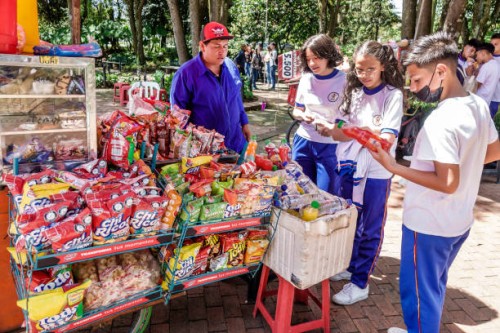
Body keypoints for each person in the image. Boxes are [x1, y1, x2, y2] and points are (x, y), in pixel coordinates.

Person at [367, 31, 500, 333]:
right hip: (457, 221)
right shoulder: (476, 104)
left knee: (418, 295)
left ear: (441, 71)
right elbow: (494, 149)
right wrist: (460, 163)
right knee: (434, 285)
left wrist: (393, 166)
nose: (413, 89)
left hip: (428, 224)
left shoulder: (441, 119)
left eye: (416, 80)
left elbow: (448, 181)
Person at [315, 41, 404, 305]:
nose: (364, 75)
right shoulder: (354, 92)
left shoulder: (392, 95)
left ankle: (360, 281)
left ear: (383, 67)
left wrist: (353, 130)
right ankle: (350, 265)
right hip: (349, 164)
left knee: (370, 227)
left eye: (370, 69)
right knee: (351, 219)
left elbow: (385, 140)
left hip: (377, 170)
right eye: (359, 69)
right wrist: (337, 130)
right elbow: (341, 129)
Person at [170, 21, 251, 153]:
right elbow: (177, 118)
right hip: (206, 151)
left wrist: (244, 122)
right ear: (202, 46)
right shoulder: (185, 74)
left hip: (237, 144)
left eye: (225, 46)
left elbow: (236, 98)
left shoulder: (230, 66)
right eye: (216, 46)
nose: (222, 52)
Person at [290, 34, 345, 194]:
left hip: (330, 146)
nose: (312, 63)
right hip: (303, 142)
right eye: (308, 59)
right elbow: (296, 110)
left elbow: (349, 119)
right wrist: (302, 116)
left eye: (317, 58)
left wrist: (335, 127)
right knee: (300, 192)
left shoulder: (344, 81)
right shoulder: (306, 79)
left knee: (326, 195)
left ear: (328, 55)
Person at [475, 42, 500, 118]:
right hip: (487, 101)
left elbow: (477, 85)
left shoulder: (486, 66)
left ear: (483, 53)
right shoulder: (497, 65)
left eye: (477, 54)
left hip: (479, 101)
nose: (476, 57)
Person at [489, 33, 500, 118]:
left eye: (496, 44)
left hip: (495, 96)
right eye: (491, 44)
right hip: (482, 94)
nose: (493, 46)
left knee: (488, 120)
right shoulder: (486, 57)